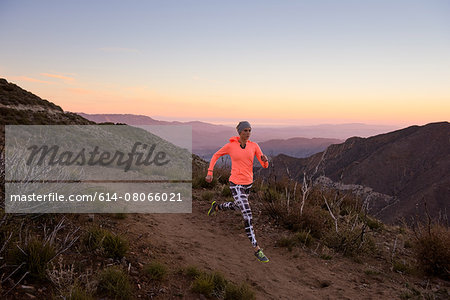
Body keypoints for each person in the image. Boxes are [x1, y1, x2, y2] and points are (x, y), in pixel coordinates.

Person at [205, 121, 270, 263]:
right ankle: (256, 249)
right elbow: (216, 155)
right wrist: (210, 172)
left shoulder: (254, 146)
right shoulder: (231, 146)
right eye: (245, 130)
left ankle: (217, 206)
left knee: (237, 206)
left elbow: (264, 164)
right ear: (239, 132)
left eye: (249, 130)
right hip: (235, 184)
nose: (247, 133)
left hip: (248, 184)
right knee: (247, 214)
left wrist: (265, 161)